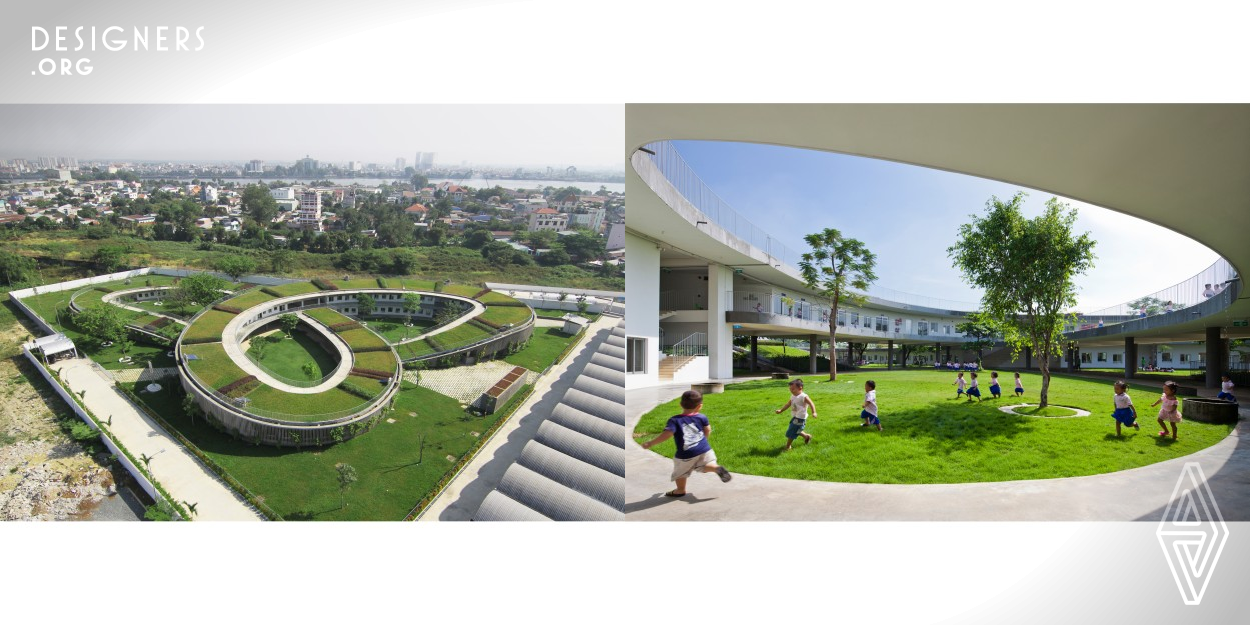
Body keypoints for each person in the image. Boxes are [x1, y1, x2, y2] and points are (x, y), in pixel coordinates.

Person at [638, 390, 732, 497]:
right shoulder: (702, 417)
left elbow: (667, 434)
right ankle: (716, 468)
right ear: (700, 406)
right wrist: (704, 440)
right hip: (705, 449)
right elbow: (708, 430)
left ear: (680, 404)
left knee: (680, 473)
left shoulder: (674, 420)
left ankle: (680, 490)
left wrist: (651, 443)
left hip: (686, 454)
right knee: (704, 465)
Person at [775, 378, 817, 450]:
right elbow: (788, 404)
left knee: (791, 431)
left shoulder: (803, 396)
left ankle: (788, 446)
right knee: (796, 430)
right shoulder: (793, 396)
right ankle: (806, 436)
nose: (791, 391)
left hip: (800, 417)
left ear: (800, 388)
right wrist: (781, 410)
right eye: (790, 389)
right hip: (795, 416)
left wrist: (814, 412)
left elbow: (811, 403)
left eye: (793, 389)